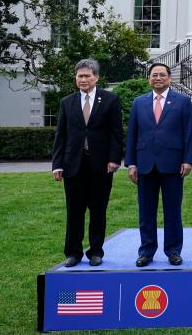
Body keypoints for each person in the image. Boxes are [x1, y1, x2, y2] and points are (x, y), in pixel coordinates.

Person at [51, 58, 123, 267]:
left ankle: (96, 251)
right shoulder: (67, 102)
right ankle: (73, 252)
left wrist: (114, 159)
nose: (83, 79)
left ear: (96, 77)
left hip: (101, 166)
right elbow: (61, 135)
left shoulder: (110, 100)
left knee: (98, 210)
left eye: (87, 76)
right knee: (74, 211)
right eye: (80, 76)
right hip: (73, 165)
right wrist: (57, 164)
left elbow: (116, 133)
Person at [125, 63, 192, 267]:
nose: (158, 78)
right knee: (146, 212)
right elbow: (132, 135)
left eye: (162, 75)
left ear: (169, 78)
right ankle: (146, 251)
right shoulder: (139, 102)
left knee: (172, 211)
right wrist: (131, 163)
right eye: (154, 75)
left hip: (173, 164)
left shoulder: (182, 101)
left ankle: (173, 250)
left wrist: (188, 159)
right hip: (145, 164)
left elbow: (189, 132)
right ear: (149, 78)